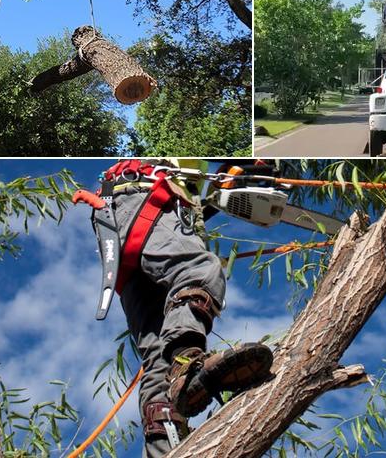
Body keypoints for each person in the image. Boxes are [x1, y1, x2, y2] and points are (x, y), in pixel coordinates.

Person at [77, 159, 273, 457]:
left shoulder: (178, 181)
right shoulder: (174, 159)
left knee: (157, 358)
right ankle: (187, 362)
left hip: (118, 229)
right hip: (142, 198)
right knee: (197, 270)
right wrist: (248, 165)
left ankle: (165, 449)